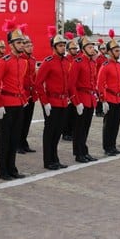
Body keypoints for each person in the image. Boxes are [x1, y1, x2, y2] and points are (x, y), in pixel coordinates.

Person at [0, 19, 28, 180]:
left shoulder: (23, 62)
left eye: (22, 42)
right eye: (18, 42)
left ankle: (12, 168)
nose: (21, 45)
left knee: (14, 138)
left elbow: (20, 83)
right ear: (11, 45)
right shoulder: (4, 62)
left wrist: (24, 99)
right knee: (4, 139)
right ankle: (3, 170)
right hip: (6, 104)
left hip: (19, 104)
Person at [35, 26, 71, 169]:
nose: (63, 48)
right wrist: (45, 102)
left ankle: (55, 158)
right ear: (54, 47)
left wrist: (68, 97)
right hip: (52, 102)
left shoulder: (66, 62)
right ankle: (48, 160)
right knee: (50, 131)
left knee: (57, 132)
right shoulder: (48, 62)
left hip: (63, 102)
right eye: (60, 46)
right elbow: (38, 84)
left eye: (64, 45)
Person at [69, 27, 99, 164]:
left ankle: (84, 151)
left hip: (90, 99)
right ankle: (78, 153)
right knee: (79, 128)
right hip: (81, 98)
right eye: (89, 46)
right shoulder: (77, 62)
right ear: (83, 49)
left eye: (92, 46)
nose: (92, 48)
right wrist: (76, 102)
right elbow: (72, 85)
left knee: (85, 128)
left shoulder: (92, 62)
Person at [97, 30, 120, 155]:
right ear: (109, 52)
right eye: (116, 50)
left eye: (118, 50)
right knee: (108, 125)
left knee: (116, 124)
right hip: (109, 99)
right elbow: (100, 84)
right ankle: (107, 147)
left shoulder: (119, 66)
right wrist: (103, 100)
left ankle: (113, 145)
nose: (118, 52)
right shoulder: (105, 66)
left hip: (118, 99)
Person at [17, 35, 37, 154]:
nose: (30, 48)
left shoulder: (33, 60)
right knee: (20, 121)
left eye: (31, 45)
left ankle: (24, 142)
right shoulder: (21, 59)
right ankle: (18, 144)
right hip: (22, 94)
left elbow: (33, 77)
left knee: (27, 121)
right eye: (27, 46)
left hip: (30, 94)